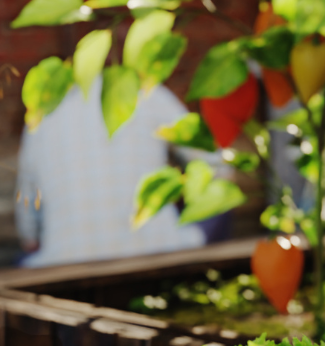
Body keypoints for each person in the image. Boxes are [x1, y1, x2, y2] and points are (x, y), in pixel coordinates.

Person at [15, 78, 208, 267]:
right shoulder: (149, 94)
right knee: (219, 200)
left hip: (66, 263)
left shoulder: (41, 116)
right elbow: (215, 162)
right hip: (163, 250)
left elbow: (28, 232)